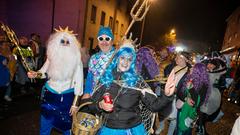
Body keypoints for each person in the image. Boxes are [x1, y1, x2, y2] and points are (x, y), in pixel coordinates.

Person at [80, 37, 175, 135]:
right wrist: (100, 105)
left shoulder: (137, 81)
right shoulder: (106, 78)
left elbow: (154, 106)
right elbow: (90, 106)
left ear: (132, 62)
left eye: (129, 59)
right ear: (117, 58)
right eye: (122, 58)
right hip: (108, 129)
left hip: (132, 130)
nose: (125, 63)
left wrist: (167, 95)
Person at [27, 27, 84, 135]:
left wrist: (75, 104)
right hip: (49, 96)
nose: (65, 44)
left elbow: (79, 82)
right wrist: (35, 74)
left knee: (67, 127)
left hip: (66, 98)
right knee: (45, 125)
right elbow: (43, 72)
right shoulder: (51, 56)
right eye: (62, 41)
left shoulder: (76, 60)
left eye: (68, 42)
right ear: (57, 42)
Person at [156, 51, 191, 135]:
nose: (175, 59)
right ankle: (161, 127)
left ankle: (170, 133)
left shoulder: (189, 72)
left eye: (178, 57)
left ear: (184, 59)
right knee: (162, 113)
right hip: (167, 94)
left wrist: (177, 89)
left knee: (174, 118)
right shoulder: (174, 68)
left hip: (177, 97)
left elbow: (188, 87)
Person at [176, 63, 210, 135]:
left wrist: (191, 89)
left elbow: (198, 102)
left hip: (190, 111)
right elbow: (179, 91)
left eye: (193, 68)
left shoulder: (203, 85)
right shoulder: (188, 77)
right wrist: (186, 98)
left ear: (198, 71)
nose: (191, 68)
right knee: (179, 127)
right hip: (182, 107)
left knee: (185, 130)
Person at [82, 26, 115, 99]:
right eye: (101, 39)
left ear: (112, 41)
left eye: (107, 39)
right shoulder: (93, 58)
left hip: (112, 96)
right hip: (94, 95)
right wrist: (87, 92)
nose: (104, 42)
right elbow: (90, 77)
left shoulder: (117, 57)